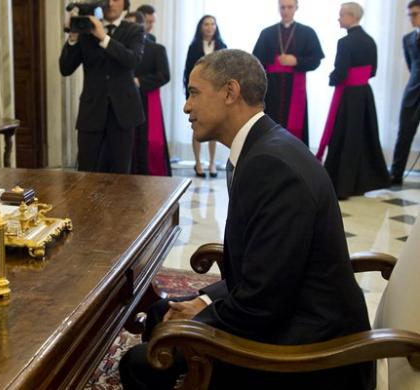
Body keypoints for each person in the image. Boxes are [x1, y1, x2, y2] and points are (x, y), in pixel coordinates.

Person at [119, 49, 373, 389]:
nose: (186, 107)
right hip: (288, 311)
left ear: (230, 92)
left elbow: (263, 305)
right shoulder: (262, 148)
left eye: (193, 93)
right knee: (159, 314)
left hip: (310, 353)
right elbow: (268, 273)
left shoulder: (271, 166)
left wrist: (200, 318)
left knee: (140, 362)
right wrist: (203, 300)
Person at [60, 0, 145, 173]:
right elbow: (65, 68)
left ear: (125, 4)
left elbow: (132, 60)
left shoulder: (134, 30)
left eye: (116, 0)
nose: (111, 3)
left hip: (123, 112)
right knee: (86, 168)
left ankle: (119, 202)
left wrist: (103, 37)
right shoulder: (85, 31)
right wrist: (73, 36)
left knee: (120, 171)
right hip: (92, 111)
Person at [317, 3, 389, 199]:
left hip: (348, 97)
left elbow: (340, 73)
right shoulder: (370, 41)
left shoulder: (345, 42)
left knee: (344, 137)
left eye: (341, 15)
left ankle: (342, 184)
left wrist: (332, 79)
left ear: (351, 16)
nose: (339, 19)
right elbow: (373, 71)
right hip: (364, 95)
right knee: (363, 137)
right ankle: (361, 183)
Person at [252, 0, 324, 145]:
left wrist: (296, 61)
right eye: (282, 7)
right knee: (270, 125)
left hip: (295, 88)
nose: (286, 11)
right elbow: (255, 61)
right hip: (271, 89)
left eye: (289, 7)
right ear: (278, 8)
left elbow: (316, 60)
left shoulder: (307, 32)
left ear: (296, 8)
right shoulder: (267, 33)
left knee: (295, 127)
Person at [126, 11, 171, 176]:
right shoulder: (118, 49)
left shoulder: (157, 49)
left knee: (149, 144)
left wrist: (139, 82)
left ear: (141, 27)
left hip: (146, 101)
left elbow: (164, 76)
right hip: (123, 102)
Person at [184, 15, 227, 178]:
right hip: (197, 92)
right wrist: (189, 94)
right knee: (196, 126)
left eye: (212, 24)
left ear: (216, 27)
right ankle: (198, 163)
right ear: (201, 27)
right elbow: (187, 72)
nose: (209, 27)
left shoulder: (222, 46)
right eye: (206, 24)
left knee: (214, 127)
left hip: (216, 93)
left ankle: (212, 163)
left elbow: (227, 72)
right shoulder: (194, 46)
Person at [390, 0, 420, 185]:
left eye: (415, 14)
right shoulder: (407, 39)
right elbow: (412, 66)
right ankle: (396, 173)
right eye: (410, 15)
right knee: (404, 132)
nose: (412, 18)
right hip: (413, 91)